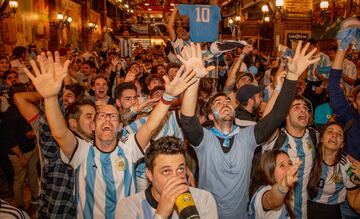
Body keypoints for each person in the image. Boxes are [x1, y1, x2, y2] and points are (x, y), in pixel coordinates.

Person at [25, 51, 197, 218]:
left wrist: (168, 96)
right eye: (101, 116)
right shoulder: (82, 151)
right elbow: (60, 133)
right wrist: (49, 98)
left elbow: (151, 126)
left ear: (120, 126)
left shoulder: (129, 148)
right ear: (93, 126)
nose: (107, 119)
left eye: (113, 116)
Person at [179, 42, 319, 218]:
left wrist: (292, 76)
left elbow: (276, 116)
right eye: (218, 103)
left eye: (227, 102)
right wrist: (193, 78)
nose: (225, 104)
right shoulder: (204, 139)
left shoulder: (247, 137)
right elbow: (188, 120)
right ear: (210, 116)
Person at [118, 136, 218, 219]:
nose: (176, 177)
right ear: (149, 175)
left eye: (180, 169)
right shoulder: (128, 207)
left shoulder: (204, 199)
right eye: (166, 171)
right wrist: (161, 214)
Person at [307, 122, 360, 218]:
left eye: (339, 134)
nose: (334, 135)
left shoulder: (346, 166)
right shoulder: (308, 156)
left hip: (330, 213)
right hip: (302, 208)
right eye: (330, 132)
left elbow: (355, 204)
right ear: (321, 138)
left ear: (342, 145)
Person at [0, 83, 39, 210]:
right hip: (18, 153)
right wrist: (21, 156)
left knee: (33, 174)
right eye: (26, 93)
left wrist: (30, 135)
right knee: (19, 180)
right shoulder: (10, 115)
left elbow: (24, 130)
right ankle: (20, 205)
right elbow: (9, 140)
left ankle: (35, 199)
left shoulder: (25, 108)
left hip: (31, 149)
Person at [249, 150, 301, 219]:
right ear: (269, 171)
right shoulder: (263, 192)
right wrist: (284, 184)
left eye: (290, 163)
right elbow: (271, 200)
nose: (289, 168)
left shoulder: (285, 195)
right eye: (282, 165)